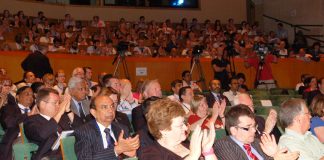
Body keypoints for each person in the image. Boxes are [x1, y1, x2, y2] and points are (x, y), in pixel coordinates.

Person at [139, 98, 217, 160]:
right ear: (163, 130)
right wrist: (193, 156)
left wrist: (208, 152)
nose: (186, 127)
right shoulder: (150, 154)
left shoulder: (187, 144)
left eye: (184, 123)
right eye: (180, 125)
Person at [213, 104, 299, 160]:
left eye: (254, 126)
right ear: (234, 130)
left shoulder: (257, 142)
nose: (254, 130)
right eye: (248, 127)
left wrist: (276, 154)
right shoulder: (223, 144)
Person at [74, 95, 139, 160]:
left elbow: (130, 154)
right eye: (104, 107)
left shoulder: (122, 128)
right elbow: (85, 158)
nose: (110, 110)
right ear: (94, 112)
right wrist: (116, 150)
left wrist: (133, 154)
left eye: (112, 106)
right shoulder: (84, 132)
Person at [24, 88, 82, 159]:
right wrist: (60, 112)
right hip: (50, 156)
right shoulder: (31, 121)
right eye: (55, 103)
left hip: (73, 151)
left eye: (59, 103)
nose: (58, 106)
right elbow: (42, 134)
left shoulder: (63, 117)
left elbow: (82, 128)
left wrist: (68, 111)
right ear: (42, 104)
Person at [0, 86, 37, 160]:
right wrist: (28, 115)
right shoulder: (10, 108)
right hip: (17, 138)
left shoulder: (36, 109)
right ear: (17, 97)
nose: (30, 97)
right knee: (21, 145)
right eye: (27, 94)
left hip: (35, 137)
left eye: (32, 95)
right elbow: (8, 123)